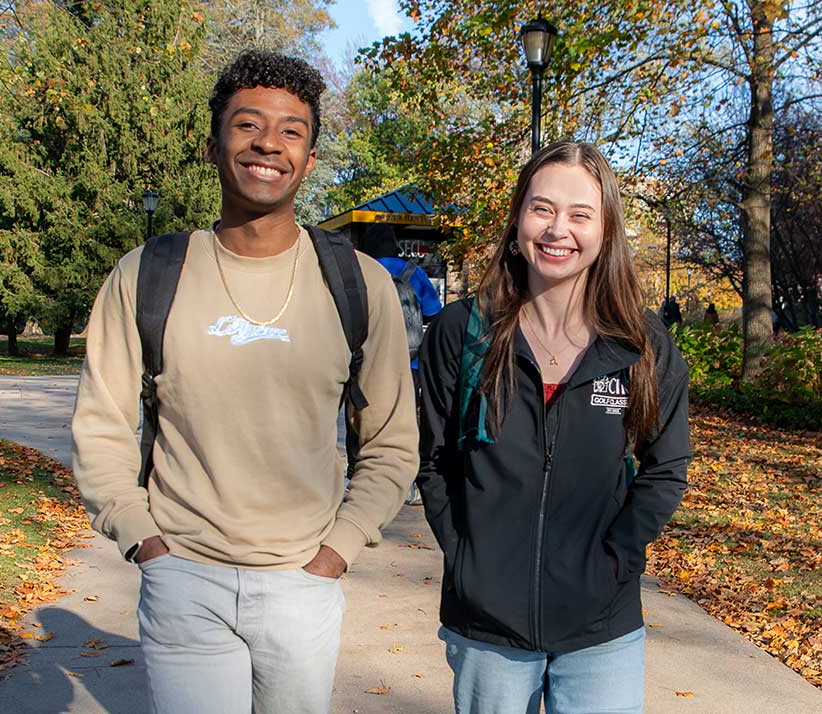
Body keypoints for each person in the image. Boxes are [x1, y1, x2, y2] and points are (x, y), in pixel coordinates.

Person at [71, 50, 419, 714]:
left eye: (292, 130)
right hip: (183, 580)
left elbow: (393, 441)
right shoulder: (147, 275)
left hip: (301, 584)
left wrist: (337, 551)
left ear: (309, 158)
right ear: (213, 145)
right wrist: (145, 540)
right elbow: (101, 425)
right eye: (248, 125)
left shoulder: (358, 285)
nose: (269, 143)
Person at [417, 141, 690, 714]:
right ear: (518, 219)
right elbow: (434, 459)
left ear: (605, 230)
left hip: (602, 627)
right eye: (542, 209)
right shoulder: (462, 332)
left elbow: (666, 466)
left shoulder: (640, 344)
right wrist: (468, 558)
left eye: (579, 214)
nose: (557, 229)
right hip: (486, 626)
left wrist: (617, 559)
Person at [356, 223, 441, 504]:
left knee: (360, 417)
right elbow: (433, 312)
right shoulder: (412, 273)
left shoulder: (359, 269)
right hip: (410, 362)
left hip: (363, 359)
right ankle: (406, 484)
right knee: (406, 420)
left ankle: (357, 481)